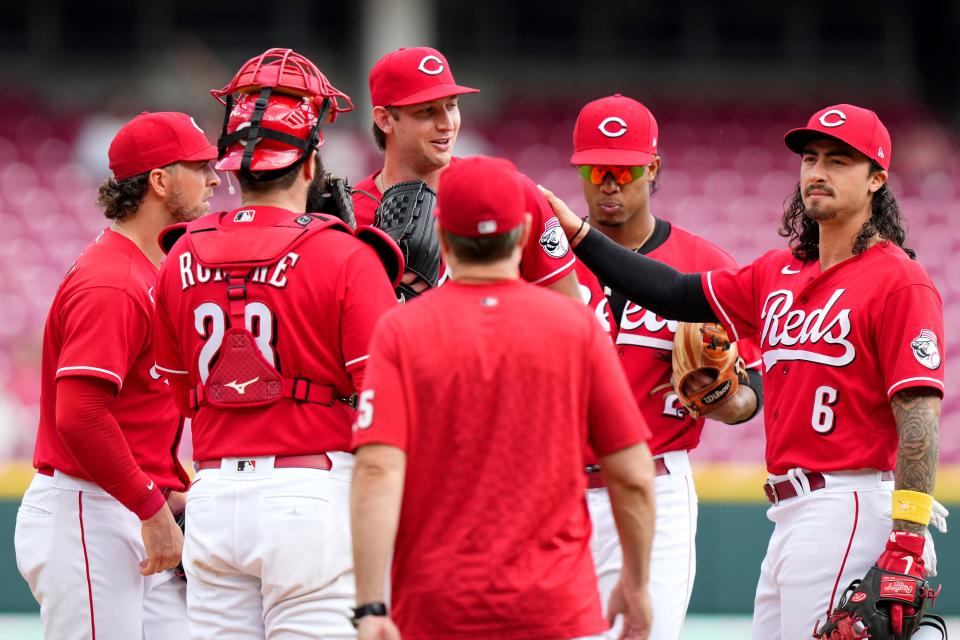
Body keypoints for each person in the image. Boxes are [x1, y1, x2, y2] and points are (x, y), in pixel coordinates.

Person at [539, 104, 944, 639]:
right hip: (789, 515)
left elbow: (919, 416)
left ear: (876, 179)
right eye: (811, 158)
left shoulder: (899, 281)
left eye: (840, 161)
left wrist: (909, 540)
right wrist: (580, 234)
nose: (818, 172)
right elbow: (674, 292)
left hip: (850, 505)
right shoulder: (777, 273)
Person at [349, 155, 657, 640]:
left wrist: (370, 605)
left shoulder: (402, 330)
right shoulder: (577, 328)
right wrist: (636, 584)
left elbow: (376, 470)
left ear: (443, 237)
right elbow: (635, 475)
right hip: (554, 604)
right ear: (524, 233)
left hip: (435, 607)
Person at [152, 48, 399, 638]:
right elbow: (388, 407)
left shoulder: (179, 252)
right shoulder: (346, 252)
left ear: (231, 165)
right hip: (310, 496)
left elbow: (182, 394)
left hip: (213, 498)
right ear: (311, 162)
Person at [15, 111, 220, 639]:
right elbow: (80, 416)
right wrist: (152, 508)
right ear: (159, 180)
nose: (216, 178)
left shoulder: (151, 269)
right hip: (91, 509)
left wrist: (168, 494)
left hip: (127, 501)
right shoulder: (114, 281)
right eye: (199, 166)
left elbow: (139, 410)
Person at [568, 94, 764, 639]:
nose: (609, 182)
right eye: (595, 168)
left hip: (656, 486)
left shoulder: (705, 265)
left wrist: (727, 399)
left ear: (651, 169)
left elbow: (753, 396)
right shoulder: (543, 259)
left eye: (624, 169)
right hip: (552, 488)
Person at [353, 46, 581, 298]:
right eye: (427, 111)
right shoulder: (352, 216)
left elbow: (572, 316)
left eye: (451, 106)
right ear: (385, 119)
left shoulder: (511, 192)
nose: (446, 124)